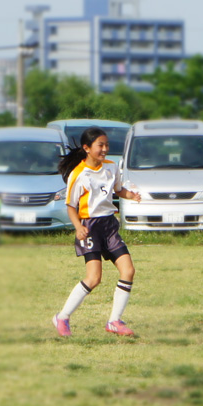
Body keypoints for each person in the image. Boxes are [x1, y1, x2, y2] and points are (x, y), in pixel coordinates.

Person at [52, 127, 141, 337]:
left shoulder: (111, 167)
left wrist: (131, 195)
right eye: (100, 145)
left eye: (107, 145)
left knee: (128, 270)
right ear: (87, 148)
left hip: (109, 225)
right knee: (94, 278)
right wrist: (78, 227)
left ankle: (114, 321)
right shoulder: (78, 174)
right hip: (89, 227)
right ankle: (62, 317)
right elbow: (71, 206)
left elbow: (118, 190)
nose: (105, 149)